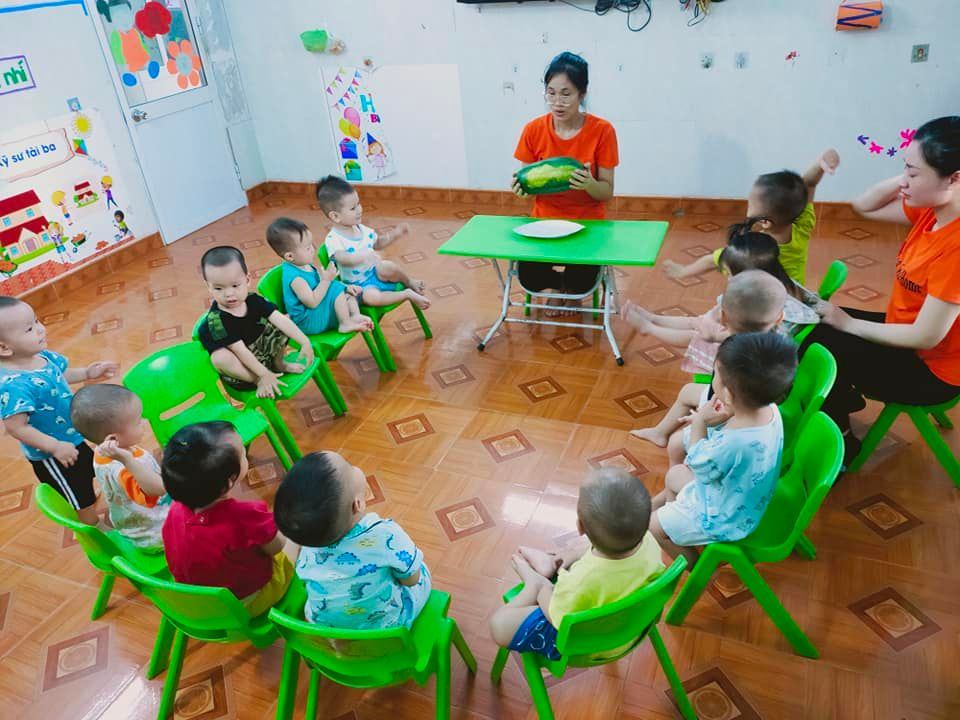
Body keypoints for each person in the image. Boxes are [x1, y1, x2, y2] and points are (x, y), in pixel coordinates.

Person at [801, 116, 960, 462]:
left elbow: (925, 337)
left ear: (954, 178)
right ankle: (840, 396)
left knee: (818, 344)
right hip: (904, 334)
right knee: (812, 326)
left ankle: (842, 446)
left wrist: (848, 323)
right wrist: (910, 175)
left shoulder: (956, 246)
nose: (903, 182)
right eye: (904, 169)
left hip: (930, 371)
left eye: (913, 173)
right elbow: (864, 205)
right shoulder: (933, 212)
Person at [650, 332, 797, 565]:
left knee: (653, 526)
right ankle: (674, 521)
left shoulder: (735, 442)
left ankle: (695, 568)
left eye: (715, 373)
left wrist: (700, 422)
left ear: (728, 394)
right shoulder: (769, 409)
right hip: (747, 497)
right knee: (675, 475)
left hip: (726, 518)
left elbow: (700, 466)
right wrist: (725, 416)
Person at [488, 468, 663, 660]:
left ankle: (535, 583)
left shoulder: (582, 579)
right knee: (597, 541)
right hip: (633, 626)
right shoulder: (651, 542)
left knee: (499, 625)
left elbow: (558, 618)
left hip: (588, 643)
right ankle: (558, 559)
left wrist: (543, 592)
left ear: (579, 526)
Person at [511, 51, 619, 316]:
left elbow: (606, 192)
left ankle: (573, 290)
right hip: (544, 223)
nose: (557, 102)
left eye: (566, 94)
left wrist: (588, 184)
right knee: (529, 277)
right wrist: (521, 191)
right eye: (551, 93)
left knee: (582, 281)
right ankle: (561, 288)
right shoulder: (533, 130)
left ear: (582, 93)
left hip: (588, 225)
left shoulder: (603, 131)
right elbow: (528, 186)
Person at [273, 451, 431, 629]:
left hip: (328, 630)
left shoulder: (307, 549)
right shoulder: (385, 534)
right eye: (349, 467)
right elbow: (411, 580)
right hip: (387, 629)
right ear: (358, 504)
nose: (355, 467)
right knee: (419, 570)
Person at [628, 271, 787, 446]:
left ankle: (676, 450)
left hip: (728, 410)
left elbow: (737, 401)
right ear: (780, 317)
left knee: (676, 444)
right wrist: (713, 337)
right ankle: (659, 433)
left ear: (723, 317)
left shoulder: (737, 356)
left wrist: (703, 419)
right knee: (688, 391)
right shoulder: (773, 342)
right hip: (742, 404)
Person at [0, 296, 117, 525]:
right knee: (79, 498)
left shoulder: (41, 357)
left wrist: (86, 373)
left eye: (37, 320)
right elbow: (16, 428)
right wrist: (54, 447)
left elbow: (60, 374)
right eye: (29, 329)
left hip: (72, 437)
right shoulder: (13, 386)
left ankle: (86, 494)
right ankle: (93, 527)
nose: (41, 329)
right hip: (53, 454)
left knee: (88, 470)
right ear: (4, 348)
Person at [161, 421, 295, 617]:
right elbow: (276, 547)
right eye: (243, 453)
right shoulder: (245, 516)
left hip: (197, 600)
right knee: (294, 534)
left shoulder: (174, 510)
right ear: (230, 480)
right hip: (246, 603)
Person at [664, 149, 841, 286]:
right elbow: (808, 183)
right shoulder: (802, 226)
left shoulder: (753, 251)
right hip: (796, 301)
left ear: (765, 222)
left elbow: (712, 260)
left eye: (750, 204)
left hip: (764, 309)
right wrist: (821, 165)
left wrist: (683, 271)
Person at [197, 246, 315, 399]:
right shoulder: (217, 321)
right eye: (218, 288)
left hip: (262, 353)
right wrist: (263, 375)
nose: (229, 293)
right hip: (244, 370)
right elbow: (241, 351)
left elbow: (279, 320)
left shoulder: (253, 299)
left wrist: (304, 341)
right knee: (219, 358)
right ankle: (259, 380)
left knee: (283, 320)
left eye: (235, 285)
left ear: (247, 280)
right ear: (208, 287)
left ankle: (279, 364)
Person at [70, 384, 169, 550]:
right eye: (138, 422)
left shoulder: (103, 451)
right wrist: (129, 461)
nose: (144, 423)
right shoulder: (124, 467)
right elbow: (160, 489)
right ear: (113, 439)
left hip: (131, 522)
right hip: (154, 533)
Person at [315, 175, 430, 311]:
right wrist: (365, 255)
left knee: (387, 266)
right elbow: (344, 258)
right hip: (359, 286)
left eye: (358, 204)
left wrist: (395, 234)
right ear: (335, 216)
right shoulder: (334, 239)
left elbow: (378, 243)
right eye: (353, 208)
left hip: (375, 272)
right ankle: (406, 294)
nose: (359, 210)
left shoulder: (361, 229)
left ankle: (409, 281)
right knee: (371, 298)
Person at [265, 217, 373, 335]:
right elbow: (312, 302)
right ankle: (345, 324)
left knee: (344, 291)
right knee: (334, 287)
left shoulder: (303, 265)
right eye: (307, 248)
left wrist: (345, 287)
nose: (313, 249)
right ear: (290, 256)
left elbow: (320, 286)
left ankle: (354, 316)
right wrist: (327, 281)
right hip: (307, 322)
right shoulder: (296, 279)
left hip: (316, 314)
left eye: (311, 244)